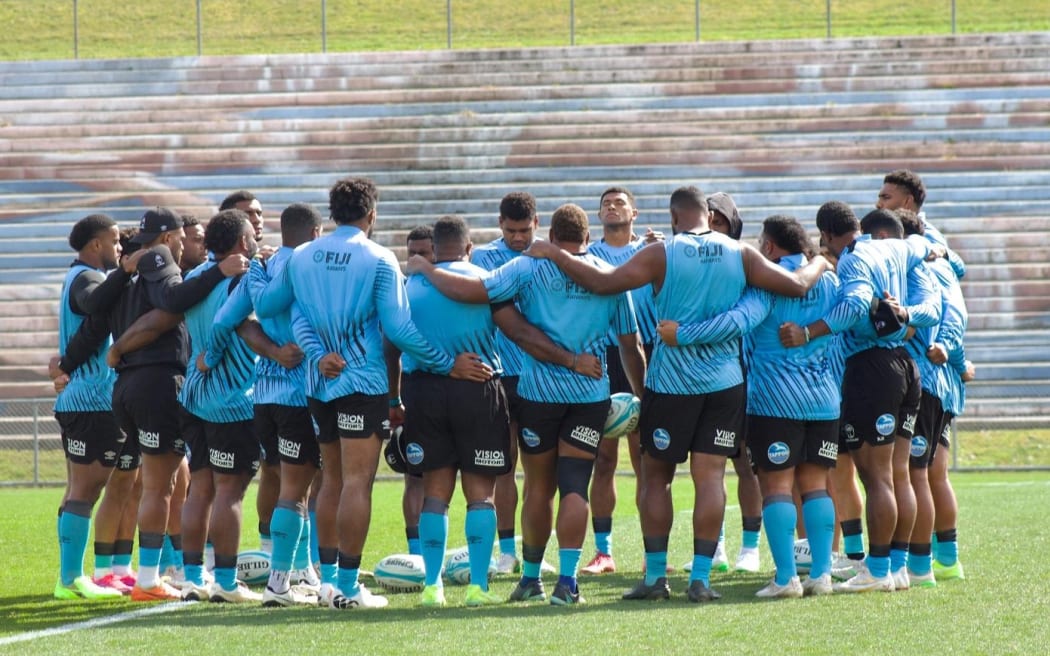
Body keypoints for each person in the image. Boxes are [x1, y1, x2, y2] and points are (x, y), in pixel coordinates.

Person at [524, 186, 827, 603]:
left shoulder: (662, 252)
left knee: (657, 479)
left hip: (670, 384)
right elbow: (795, 284)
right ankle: (701, 579)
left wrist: (555, 253)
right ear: (706, 213)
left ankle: (654, 577)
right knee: (710, 479)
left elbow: (602, 280)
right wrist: (821, 262)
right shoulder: (738, 252)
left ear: (673, 217)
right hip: (724, 383)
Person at [408, 204, 645, 606]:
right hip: (590, 395)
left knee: (538, 486)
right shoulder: (608, 278)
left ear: (550, 236)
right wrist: (644, 396)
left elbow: (471, 291)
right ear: (587, 238)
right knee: (575, 485)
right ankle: (568, 582)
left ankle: (531, 577)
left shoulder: (529, 267)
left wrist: (428, 269)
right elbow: (631, 346)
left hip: (539, 395)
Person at [272, 177, 489, 609]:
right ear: (372, 214)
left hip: (319, 384)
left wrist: (316, 353)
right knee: (356, 482)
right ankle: (349, 588)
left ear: (332, 214)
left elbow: (278, 308)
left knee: (329, 480)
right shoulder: (378, 258)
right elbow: (399, 330)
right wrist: (447, 364)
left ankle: (327, 581)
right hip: (363, 383)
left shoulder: (301, 257)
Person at [53, 207, 250, 601]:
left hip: (125, 388)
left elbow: (94, 328)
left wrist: (66, 365)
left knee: (144, 484)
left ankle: (125, 570)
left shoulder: (123, 275)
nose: (182, 243)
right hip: (155, 382)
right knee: (160, 486)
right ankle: (147, 578)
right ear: (167, 236)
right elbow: (172, 301)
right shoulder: (157, 258)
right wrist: (218, 271)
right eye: (180, 235)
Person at [657, 214, 842, 597]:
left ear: (770, 246)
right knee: (816, 486)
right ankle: (822, 574)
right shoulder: (831, 281)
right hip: (824, 397)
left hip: (775, 399)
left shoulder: (766, 282)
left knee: (776, 487)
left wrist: (683, 334)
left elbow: (737, 322)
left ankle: (786, 578)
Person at [779, 203, 942, 593]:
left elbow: (852, 307)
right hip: (907, 366)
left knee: (877, 477)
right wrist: (908, 309)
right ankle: (898, 567)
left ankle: (877, 569)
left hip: (871, 370)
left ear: (828, 235)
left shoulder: (854, 258)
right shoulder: (899, 248)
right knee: (899, 474)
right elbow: (930, 274)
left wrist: (807, 332)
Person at [203, 202, 324, 606]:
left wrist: (216, 354)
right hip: (300, 394)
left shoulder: (265, 266)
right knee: (300, 489)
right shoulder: (308, 267)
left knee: (282, 481)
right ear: (317, 232)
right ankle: (280, 584)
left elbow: (230, 320)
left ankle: (300, 570)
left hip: (264, 396)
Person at [177, 210, 265, 603]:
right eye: (253, 234)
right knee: (230, 491)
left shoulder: (197, 277)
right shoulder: (240, 279)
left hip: (194, 397)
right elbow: (230, 327)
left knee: (201, 487)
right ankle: (227, 583)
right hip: (231, 400)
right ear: (243, 242)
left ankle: (193, 576)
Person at [51, 214, 131, 601]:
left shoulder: (82, 276)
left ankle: (69, 576)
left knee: (80, 491)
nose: (119, 248)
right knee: (86, 489)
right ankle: (70, 579)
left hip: (86, 399)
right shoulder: (87, 278)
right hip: (90, 401)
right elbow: (93, 304)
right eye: (115, 241)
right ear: (96, 244)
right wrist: (125, 274)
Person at [580, 186, 655, 576]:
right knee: (604, 459)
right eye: (606, 203)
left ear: (634, 212)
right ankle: (603, 552)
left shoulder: (653, 252)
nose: (612, 206)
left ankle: (651, 552)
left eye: (619, 202)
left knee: (647, 459)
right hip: (607, 357)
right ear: (598, 216)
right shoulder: (588, 257)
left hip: (648, 355)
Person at [469, 191, 541, 575]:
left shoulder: (546, 257)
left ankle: (534, 553)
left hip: (537, 376)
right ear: (500, 224)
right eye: (511, 230)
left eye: (524, 230)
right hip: (497, 374)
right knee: (503, 467)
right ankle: (508, 551)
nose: (517, 238)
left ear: (537, 223)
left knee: (538, 469)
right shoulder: (481, 258)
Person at [703, 191, 763, 574]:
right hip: (701, 381)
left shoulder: (745, 264)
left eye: (720, 221)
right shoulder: (684, 265)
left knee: (746, 467)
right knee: (707, 469)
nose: (711, 228)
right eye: (707, 219)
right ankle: (716, 545)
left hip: (741, 379)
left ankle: (750, 547)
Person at [876, 169, 965, 279]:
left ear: (907, 201)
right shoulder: (887, 232)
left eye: (886, 197)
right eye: (879, 198)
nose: (878, 204)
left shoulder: (928, 236)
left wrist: (943, 252)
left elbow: (958, 270)